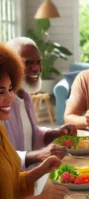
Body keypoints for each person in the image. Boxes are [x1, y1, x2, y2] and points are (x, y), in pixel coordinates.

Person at [0, 42, 69, 199]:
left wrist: (40, 169)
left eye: (10, 88)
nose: (11, 97)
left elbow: (8, 176)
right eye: (1, 92)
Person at [3, 37, 77, 170]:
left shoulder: (25, 97)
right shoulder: (4, 105)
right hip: (11, 185)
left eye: (38, 62)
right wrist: (38, 156)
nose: (36, 68)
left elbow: (30, 135)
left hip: (31, 178)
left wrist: (54, 134)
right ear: (11, 65)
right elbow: (3, 157)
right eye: (28, 62)